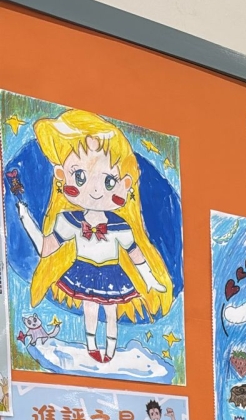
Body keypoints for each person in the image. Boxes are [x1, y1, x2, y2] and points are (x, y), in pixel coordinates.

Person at [16, 108, 171, 364]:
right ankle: (91, 346)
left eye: (109, 181)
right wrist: (25, 219)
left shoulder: (120, 225)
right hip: (84, 269)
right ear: (61, 176)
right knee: (90, 308)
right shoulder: (69, 220)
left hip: (112, 272)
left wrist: (149, 279)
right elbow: (46, 248)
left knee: (110, 312)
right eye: (80, 176)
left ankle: (110, 348)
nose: (96, 189)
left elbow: (135, 252)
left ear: (125, 185)